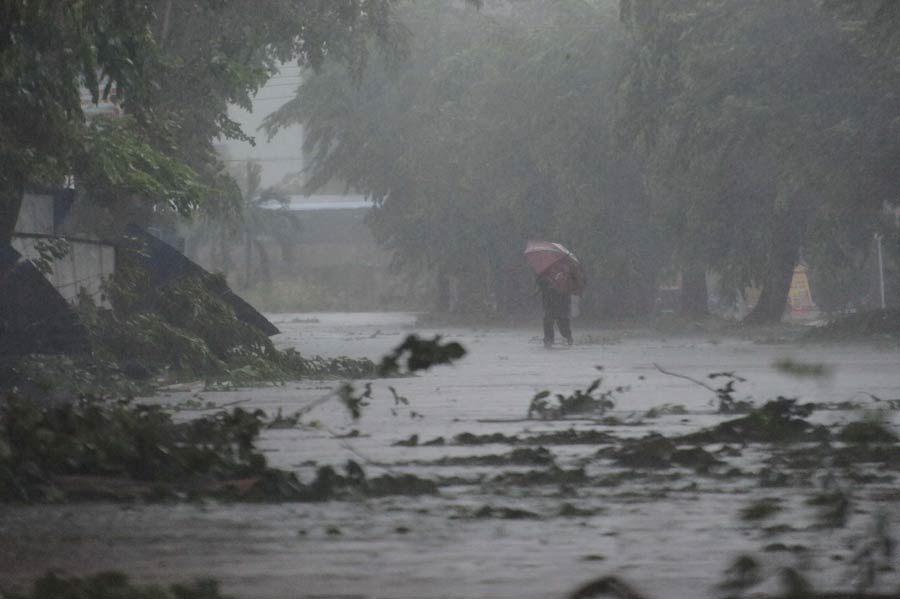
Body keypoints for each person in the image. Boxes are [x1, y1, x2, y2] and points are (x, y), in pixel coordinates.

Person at [537, 274, 572, 348]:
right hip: (551, 308)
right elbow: (541, 286)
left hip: (560, 309)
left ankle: (568, 337)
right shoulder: (547, 283)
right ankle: (549, 340)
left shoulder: (564, 289)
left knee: (563, 325)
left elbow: (567, 301)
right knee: (548, 322)